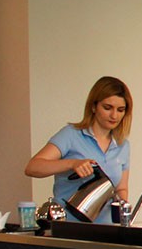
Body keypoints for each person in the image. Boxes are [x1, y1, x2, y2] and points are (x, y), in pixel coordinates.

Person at [24, 76, 133, 224]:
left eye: (120, 110)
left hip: (106, 228)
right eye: (107, 108)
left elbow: (121, 189)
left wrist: (123, 204)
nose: (114, 115)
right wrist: (72, 164)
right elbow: (32, 167)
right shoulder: (71, 135)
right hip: (69, 226)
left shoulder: (122, 145)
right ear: (93, 107)